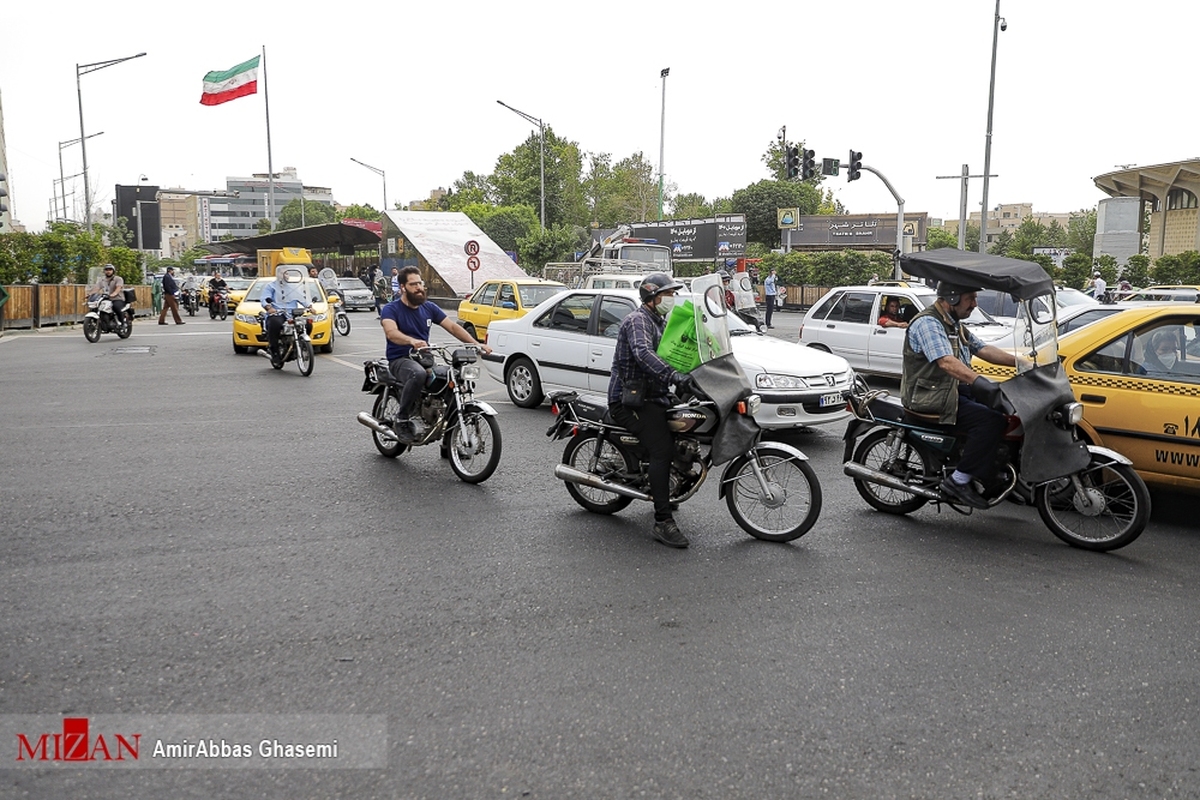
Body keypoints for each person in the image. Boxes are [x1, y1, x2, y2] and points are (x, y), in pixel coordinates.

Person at [901, 282, 1019, 509]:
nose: (975, 304)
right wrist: (979, 382)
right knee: (989, 421)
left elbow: (983, 349)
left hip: (950, 390)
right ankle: (958, 481)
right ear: (952, 299)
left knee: (1006, 409)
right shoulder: (928, 323)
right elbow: (945, 361)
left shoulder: (953, 324)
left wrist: (1023, 363)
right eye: (970, 299)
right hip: (930, 397)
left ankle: (990, 475)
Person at [607, 273, 696, 549]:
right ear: (653, 297)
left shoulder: (661, 321)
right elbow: (644, 354)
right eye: (667, 294)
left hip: (653, 396)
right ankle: (662, 521)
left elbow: (677, 350)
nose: (671, 299)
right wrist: (674, 376)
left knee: (686, 425)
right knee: (661, 450)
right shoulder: (637, 321)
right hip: (628, 400)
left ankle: (667, 485)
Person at [381, 266, 490, 443]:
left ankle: (449, 442)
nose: (419, 287)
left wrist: (476, 344)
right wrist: (411, 341)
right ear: (403, 287)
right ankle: (402, 419)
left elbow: (453, 327)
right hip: (401, 359)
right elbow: (391, 332)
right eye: (413, 284)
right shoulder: (391, 309)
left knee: (453, 381)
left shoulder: (429, 308)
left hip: (425, 358)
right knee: (418, 374)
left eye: (420, 283)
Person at [260, 266, 311, 366]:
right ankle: (275, 352)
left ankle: (301, 346)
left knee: (308, 324)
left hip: (292, 314)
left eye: (286, 273)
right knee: (274, 323)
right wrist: (268, 307)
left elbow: (302, 298)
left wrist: (309, 306)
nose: (285, 276)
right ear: (277, 274)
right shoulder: (271, 286)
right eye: (282, 273)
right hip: (278, 313)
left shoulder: (294, 287)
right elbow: (264, 298)